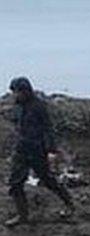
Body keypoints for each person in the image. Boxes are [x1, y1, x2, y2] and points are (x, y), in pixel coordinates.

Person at [5, 77, 74, 227]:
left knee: (48, 180)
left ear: (25, 91)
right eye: (13, 92)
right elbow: (18, 127)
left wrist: (51, 150)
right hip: (21, 150)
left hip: (37, 150)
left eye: (17, 92)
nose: (15, 95)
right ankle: (22, 216)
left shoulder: (39, 106)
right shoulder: (18, 107)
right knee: (15, 184)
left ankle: (69, 203)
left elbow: (48, 129)